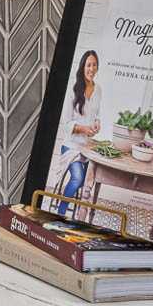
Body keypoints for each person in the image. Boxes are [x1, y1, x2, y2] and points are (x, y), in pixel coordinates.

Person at [46, 50, 101, 217]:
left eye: (94, 65)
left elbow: (97, 115)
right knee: (78, 179)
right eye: (88, 65)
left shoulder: (98, 89)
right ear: (83, 67)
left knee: (87, 181)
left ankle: (80, 215)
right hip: (70, 146)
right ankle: (61, 213)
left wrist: (97, 124)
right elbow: (66, 124)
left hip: (86, 147)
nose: (91, 68)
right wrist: (84, 129)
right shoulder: (73, 89)